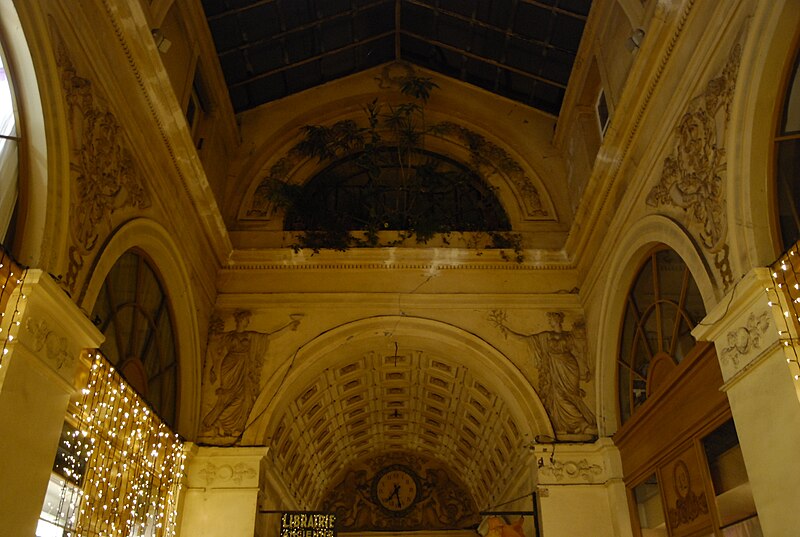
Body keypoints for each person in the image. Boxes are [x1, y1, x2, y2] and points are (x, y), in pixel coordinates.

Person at [492, 310, 596, 436]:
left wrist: (584, 370)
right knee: (559, 397)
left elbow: (580, 352)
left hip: (570, 367)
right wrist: (509, 332)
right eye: (550, 320)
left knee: (572, 395)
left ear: (558, 320)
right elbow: (526, 339)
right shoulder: (546, 336)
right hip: (555, 369)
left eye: (552, 319)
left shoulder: (569, 336)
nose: (551, 322)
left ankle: (578, 425)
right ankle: (581, 424)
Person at [202, 310, 300, 438]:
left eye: (248, 320)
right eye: (246, 320)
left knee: (244, 399)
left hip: (244, 368)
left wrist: (288, 327)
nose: (248, 322)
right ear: (239, 320)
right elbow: (215, 347)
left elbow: (269, 337)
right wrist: (214, 368)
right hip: (230, 367)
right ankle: (216, 423)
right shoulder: (228, 336)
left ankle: (228, 426)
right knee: (227, 396)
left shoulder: (250, 336)